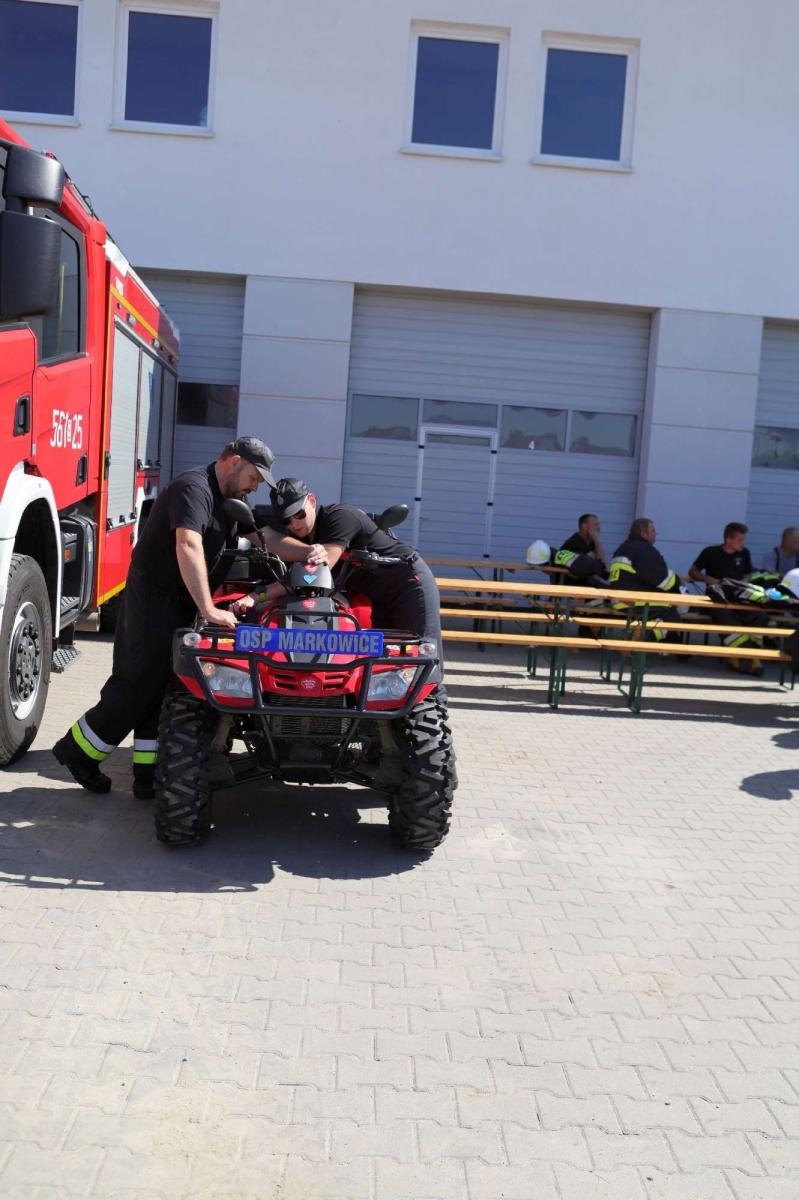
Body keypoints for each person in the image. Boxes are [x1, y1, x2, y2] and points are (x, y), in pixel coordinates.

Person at [52, 437, 277, 797]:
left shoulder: (231, 499)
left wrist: (311, 554)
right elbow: (187, 544)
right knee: (137, 682)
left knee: (167, 686)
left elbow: (263, 539)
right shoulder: (194, 488)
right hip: (153, 599)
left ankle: (149, 776)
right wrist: (208, 608)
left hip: (179, 603)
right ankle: (77, 751)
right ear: (234, 461)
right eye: (254, 476)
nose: (255, 485)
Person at [234, 478, 444, 682]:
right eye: (286, 520)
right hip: (378, 598)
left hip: (409, 585)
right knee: (385, 668)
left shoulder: (339, 517)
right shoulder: (305, 539)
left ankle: (434, 712)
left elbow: (312, 575)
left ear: (312, 500)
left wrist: (256, 596)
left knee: (424, 662)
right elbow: (266, 537)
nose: (294, 524)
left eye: (298, 513)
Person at [688, 521, 762, 675]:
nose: (744, 543)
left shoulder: (744, 553)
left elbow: (748, 573)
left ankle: (749, 655)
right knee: (728, 620)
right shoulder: (711, 552)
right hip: (717, 600)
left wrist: (744, 582)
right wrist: (709, 580)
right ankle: (747, 658)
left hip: (739, 598)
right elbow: (693, 572)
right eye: (740, 539)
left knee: (760, 617)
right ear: (728, 540)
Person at [555, 513, 608, 582]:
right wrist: (596, 539)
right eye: (595, 525)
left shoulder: (591, 542)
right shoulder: (575, 542)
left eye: (598, 525)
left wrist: (596, 540)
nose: (598, 528)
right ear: (584, 526)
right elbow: (599, 566)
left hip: (583, 582)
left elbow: (603, 564)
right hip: (571, 584)